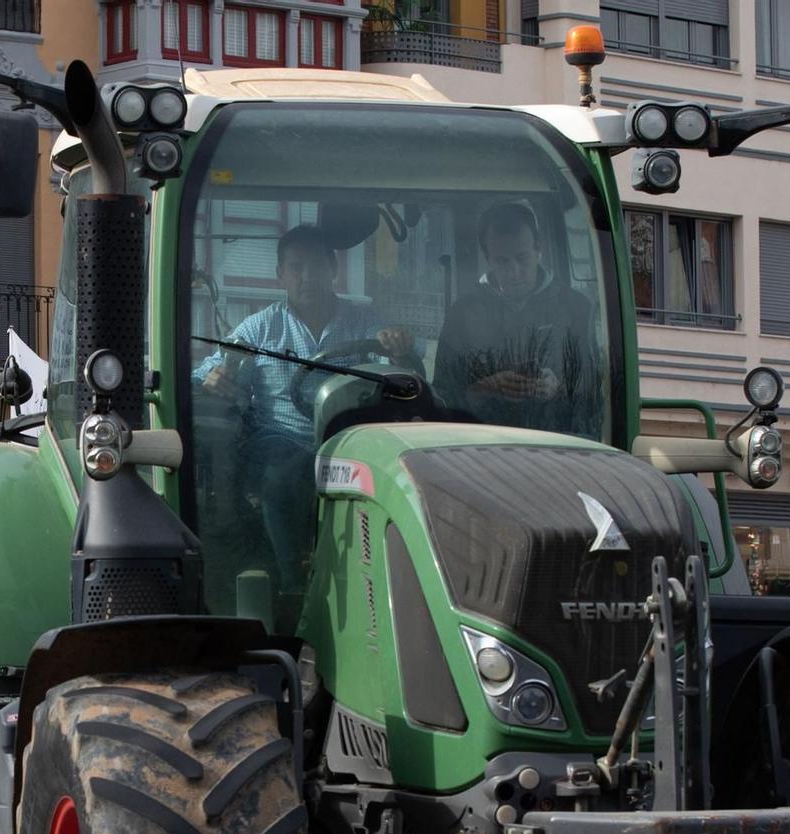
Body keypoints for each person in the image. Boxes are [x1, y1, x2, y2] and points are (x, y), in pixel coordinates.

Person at [195, 225, 412, 579]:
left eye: (315, 266)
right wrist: (214, 376)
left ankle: (380, 577)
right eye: (296, 268)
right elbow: (211, 369)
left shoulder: (368, 323)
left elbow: (402, 366)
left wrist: (399, 346)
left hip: (351, 442)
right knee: (280, 479)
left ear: (333, 269)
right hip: (281, 439)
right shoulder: (259, 329)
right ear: (281, 275)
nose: (307, 276)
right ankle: (291, 582)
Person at [433, 201, 599, 432]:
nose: (514, 273)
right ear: (488, 258)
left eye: (522, 259)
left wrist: (559, 390)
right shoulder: (463, 313)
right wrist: (484, 389)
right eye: (503, 262)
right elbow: (442, 397)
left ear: (538, 250)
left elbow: (595, 398)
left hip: (556, 448)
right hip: (478, 447)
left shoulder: (575, 309)